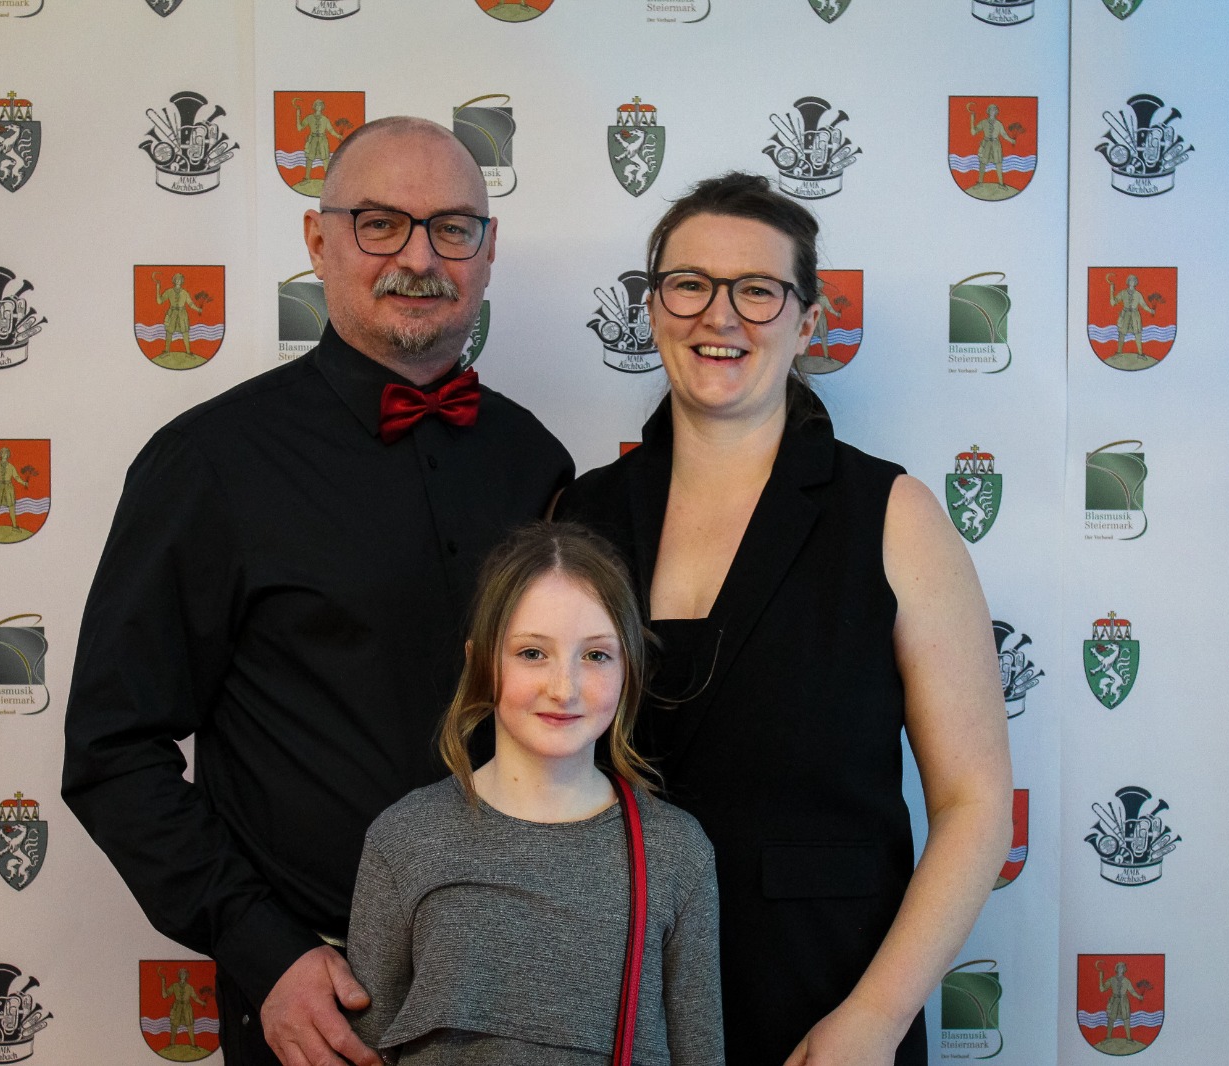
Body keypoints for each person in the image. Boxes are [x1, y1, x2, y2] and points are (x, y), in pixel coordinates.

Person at [62, 116, 573, 1066]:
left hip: (525, 981)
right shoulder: (209, 463)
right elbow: (113, 750)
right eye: (380, 223)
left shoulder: (535, 459)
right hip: (325, 1004)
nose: (418, 258)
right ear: (318, 239)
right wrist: (265, 952)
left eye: (452, 227)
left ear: (487, 250)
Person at [556, 173, 1012, 1065]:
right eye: (689, 284)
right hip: (610, 998)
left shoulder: (891, 514)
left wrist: (876, 1018)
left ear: (807, 322)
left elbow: (976, 805)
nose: (719, 315)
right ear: (653, 309)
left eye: (758, 290)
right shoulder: (581, 514)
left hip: (826, 1003)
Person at [347, 522, 723, 1063]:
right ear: (482, 662)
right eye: (531, 653)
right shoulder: (404, 839)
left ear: (629, 668)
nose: (563, 688)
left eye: (596, 655)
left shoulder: (677, 853)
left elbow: (699, 1052)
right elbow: (365, 1048)